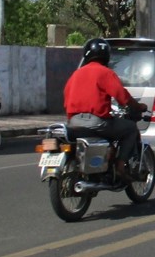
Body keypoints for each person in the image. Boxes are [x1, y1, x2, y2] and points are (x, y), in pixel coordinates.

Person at [63, 38, 147, 178]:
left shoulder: (76, 74)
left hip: (74, 123)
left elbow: (66, 97)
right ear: (107, 56)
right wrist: (138, 106)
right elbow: (122, 96)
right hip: (97, 123)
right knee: (130, 128)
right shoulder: (105, 72)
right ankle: (120, 165)